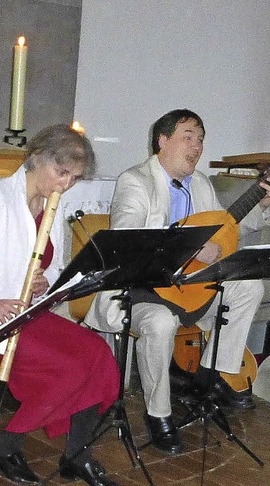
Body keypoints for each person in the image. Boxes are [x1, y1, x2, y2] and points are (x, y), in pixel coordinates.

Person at [0, 125, 121, 486]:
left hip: (28, 313)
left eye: (74, 178)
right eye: (60, 173)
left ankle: (76, 454)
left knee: (97, 353)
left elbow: (52, 265)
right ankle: (5, 448)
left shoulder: (52, 206)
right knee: (68, 370)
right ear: (37, 159)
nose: (65, 184)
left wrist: (46, 280)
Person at [86, 109, 270, 455]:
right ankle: (159, 414)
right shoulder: (135, 180)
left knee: (249, 287)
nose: (197, 145)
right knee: (158, 323)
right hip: (143, 288)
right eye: (188, 136)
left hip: (192, 288)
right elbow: (129, 236)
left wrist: (259, 205)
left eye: (200, 138)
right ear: (163, 141)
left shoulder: (200, 183)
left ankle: (212, 376)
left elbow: (223, 230)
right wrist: (189, 243)